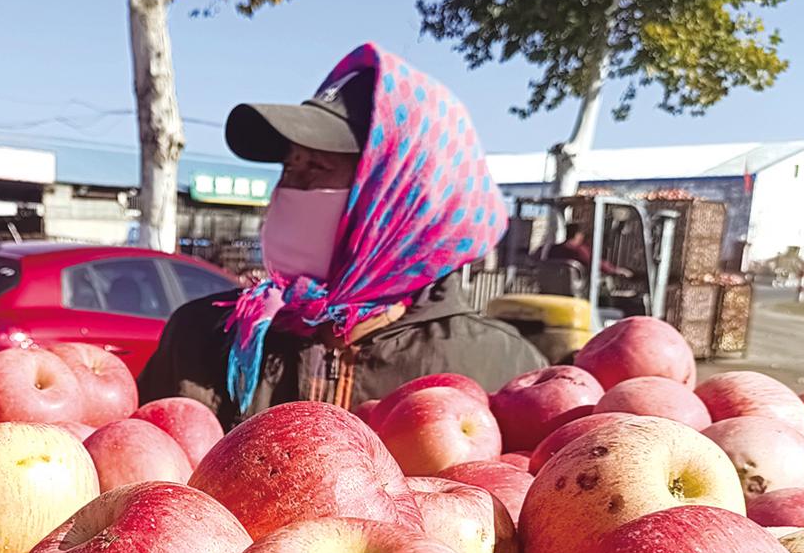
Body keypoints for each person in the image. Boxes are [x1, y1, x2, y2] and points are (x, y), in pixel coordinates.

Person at [137, 44, 545, 427]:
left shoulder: (500, 368)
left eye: (315, 167)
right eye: (288, 167)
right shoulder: (204, 336)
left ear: (405, 197)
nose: (291, 188)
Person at [548, 224, 632, 279]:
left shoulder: (554, 249)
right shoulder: (579, 250)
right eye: (582, 234)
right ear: (578, 235)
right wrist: (616, 270)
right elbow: (596, 263)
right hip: (578, 288)